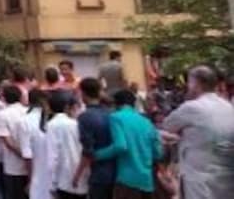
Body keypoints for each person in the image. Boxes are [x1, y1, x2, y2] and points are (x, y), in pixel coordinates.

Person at [160, 65, 234, 199]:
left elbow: (167, 125)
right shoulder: (228, 106)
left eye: (189, 82)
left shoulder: (192, 107)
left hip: (200, 180)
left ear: (196, 84)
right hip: (227, 180)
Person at [93, 90, 162, 199]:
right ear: (133, 103)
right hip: (147, 179)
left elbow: (120, 146)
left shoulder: (116, 118)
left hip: (127, 179)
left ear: (116, 104)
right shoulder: (146, 121)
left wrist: (97, 155)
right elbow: (158, 152)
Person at [77, 77, 117, 199]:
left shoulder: (85, 117)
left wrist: (77, 175)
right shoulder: (111, 113)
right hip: (117, 172)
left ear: (83, 93)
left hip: (99, 175)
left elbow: (88, 150)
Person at [46, 91, 88, 199]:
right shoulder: (77, 123)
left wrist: (52, 184)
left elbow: (53, 157)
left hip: (63, 180)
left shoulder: (51, 125)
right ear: (67, 107)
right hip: (82, 177)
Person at [0, 84, 31, 199]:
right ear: (20, 97)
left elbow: (6, 141)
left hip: (13, 167)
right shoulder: (29, 111)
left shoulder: (3, 114)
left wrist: (21, 154)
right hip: (31, 164)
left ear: (4, 98)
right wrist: (27, 156)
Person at [25, 89, 51, 199]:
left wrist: (30, 180)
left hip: (38, 178)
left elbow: (27, 156)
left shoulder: (25, 120)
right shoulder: (52, 120)